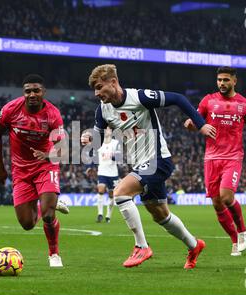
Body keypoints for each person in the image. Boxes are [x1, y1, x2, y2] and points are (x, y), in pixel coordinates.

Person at [81, 64, 216, 269]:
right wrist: (89, 136)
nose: (97, 93)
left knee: (120, 193)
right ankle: (194, 245)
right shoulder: (103, 110)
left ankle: (141, 247)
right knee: (160, 214)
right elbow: (99, 139)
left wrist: (200, 123)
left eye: (100, 87)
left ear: (113, 82)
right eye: (95, 89)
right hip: (140, 164)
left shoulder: (140, 97)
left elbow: (178, 98)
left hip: (158, 160)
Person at [0, 74, 69, 268]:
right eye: (28, 91)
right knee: (27, 224)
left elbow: (63, 147)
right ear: (23, 93)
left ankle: (54, 254)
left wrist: (49, 155)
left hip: (45, 166)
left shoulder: (53, 114)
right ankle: (47, 202)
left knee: (48, 215)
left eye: (36, 90)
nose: (32, 94)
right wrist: (0, 168)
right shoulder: (10, 110)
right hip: (20, 171)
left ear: (43, 92)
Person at [184, 66, 246, 256]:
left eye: (226, 80)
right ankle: (235, 241)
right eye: (219, 80)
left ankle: (243, 231)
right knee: (217, 204)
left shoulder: (245, 104)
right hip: (211, 158)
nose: (222, 83)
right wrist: (191, 125)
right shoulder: (208, 101)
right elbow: (195, 122)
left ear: (234, 81)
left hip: (233, 156)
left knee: (226, 197)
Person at [86, 127, 121, 223]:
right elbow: (93, 156)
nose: (106, 131)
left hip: (113, 173)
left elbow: (118, 157)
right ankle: (100, 214)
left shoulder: (115, 143)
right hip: (102, 171)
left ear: (111, 131)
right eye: (105, 129)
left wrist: (112, 156)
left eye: (108, 129)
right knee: (100, 190)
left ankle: (108, 215)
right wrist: (90, 167)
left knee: (111, 194)